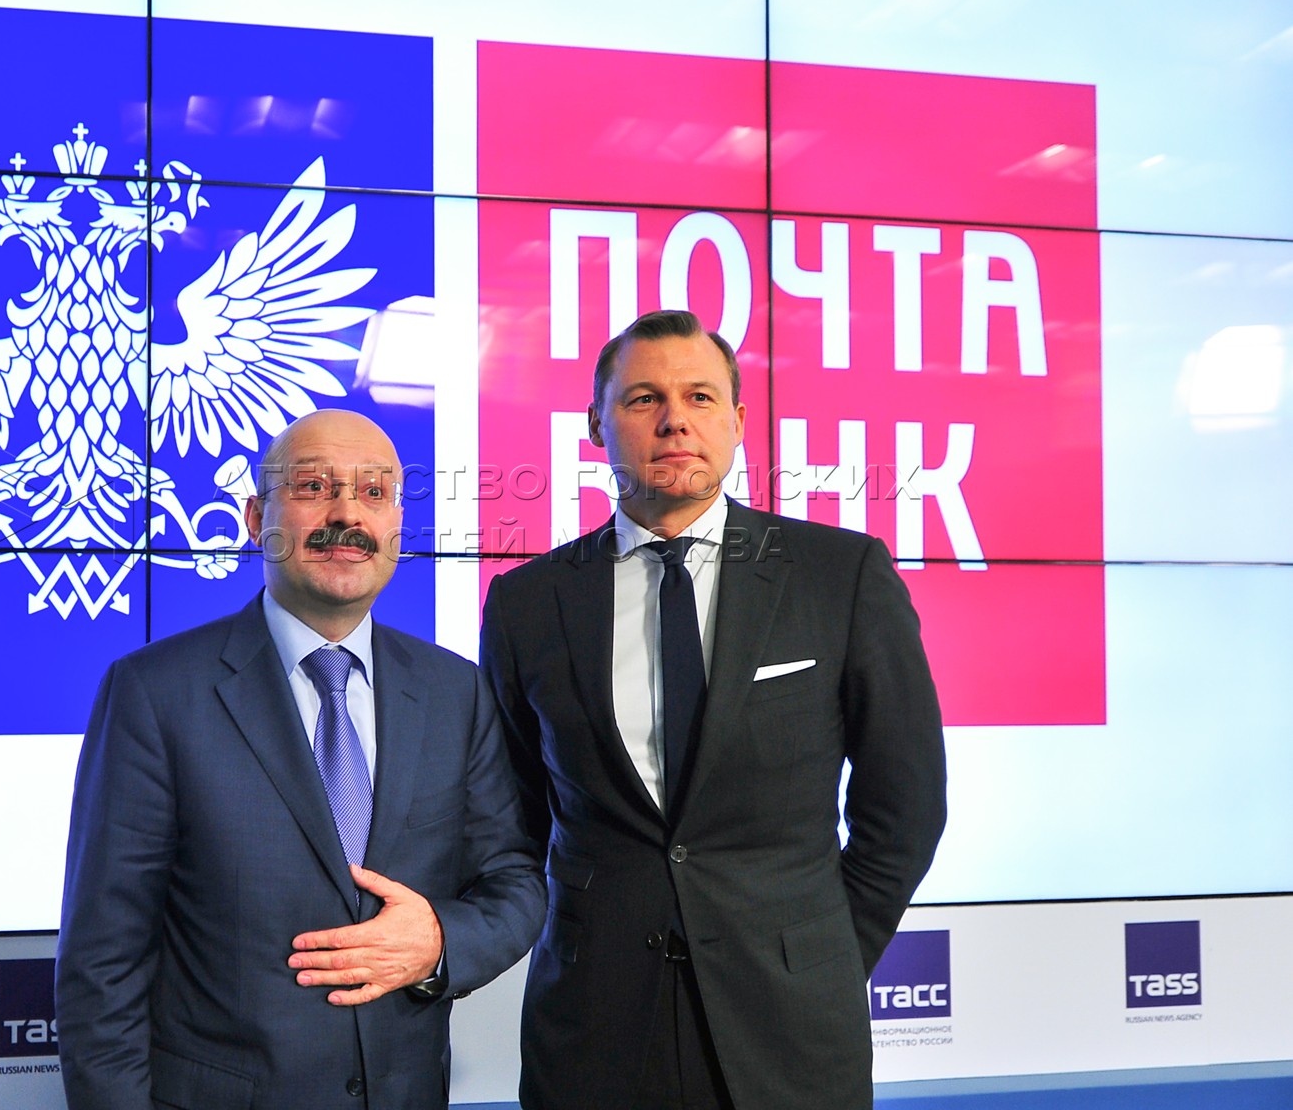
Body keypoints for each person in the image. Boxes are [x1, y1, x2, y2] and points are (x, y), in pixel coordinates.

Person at [480, 311, 947, 1109]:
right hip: (592, 1031)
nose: (675, 420)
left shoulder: (840, 575)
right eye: (643, 399)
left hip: (792, 1032)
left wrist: (822, 958)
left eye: (700, 397)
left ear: (737, 422)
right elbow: (513, 818)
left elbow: (904, 809)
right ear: (595, 426)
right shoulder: (527, 602)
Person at [57, 409, 545, 1110]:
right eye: (314, 487)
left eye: (374, 493)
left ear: (396, 528)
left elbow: (515, 883)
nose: (347, 514)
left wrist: (440, 941)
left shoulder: (455, 691)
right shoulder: (154, 693)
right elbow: (103, 962)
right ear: (257, 518)